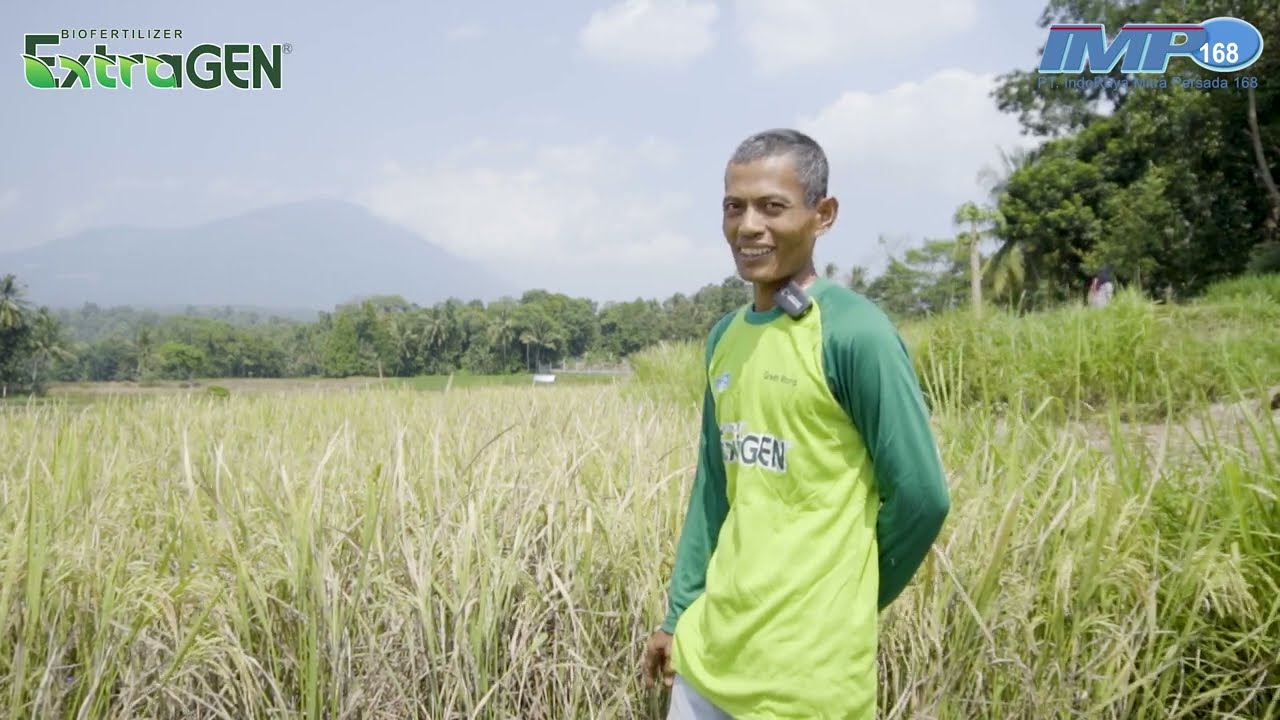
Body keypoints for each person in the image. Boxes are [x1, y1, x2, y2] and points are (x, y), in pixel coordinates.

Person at [641, 128, 952, 719]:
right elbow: (713, 489)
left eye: (772, 206)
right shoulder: (724, 338)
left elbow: (922, 497)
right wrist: (679, 615)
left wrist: (851, 598)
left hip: (806, 680)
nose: (748, 226)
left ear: (822, 215)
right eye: (734, 207)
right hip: (707, 662)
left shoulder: (854, 333)